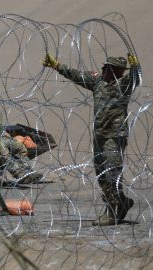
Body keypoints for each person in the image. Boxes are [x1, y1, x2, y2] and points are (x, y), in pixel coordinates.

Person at [42, 53, 140, 226]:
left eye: (107, 67)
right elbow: (76, 75)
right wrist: (57, 65)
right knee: (102, 175)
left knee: (111, 174)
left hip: (114, 137)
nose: (103, 69)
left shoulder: (123, 85)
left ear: (117, 71)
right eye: (104, 67)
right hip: (99, 137)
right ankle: (121, 202)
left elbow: (135, 79)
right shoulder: (98, 82)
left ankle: (112, 212)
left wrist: (135, 67)